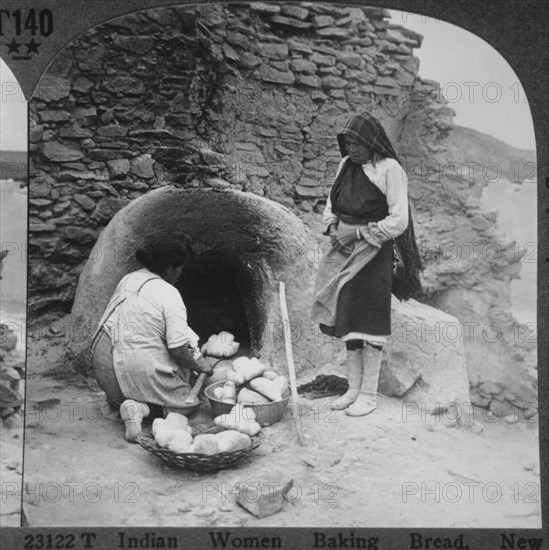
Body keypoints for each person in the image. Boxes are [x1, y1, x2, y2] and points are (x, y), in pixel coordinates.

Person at [312, 112, 422, 417]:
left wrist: (358, 233)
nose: (351, 148)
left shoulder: (391, 170)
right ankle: (353, 389)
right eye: (347, 142)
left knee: (370, 320)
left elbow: (399, 220)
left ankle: (369, 395)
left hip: (373, 252)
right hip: (342, 249)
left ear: (371, 142)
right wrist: (334, 228)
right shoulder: (345, 165)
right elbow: (332, 206)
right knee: (347, 318)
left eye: (356, 142)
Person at [90, 234, 213, 442]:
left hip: (104, 370)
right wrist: (201, 367)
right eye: (180, 267)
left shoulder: (129, 279)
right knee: (189, 405)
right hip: (132, 369)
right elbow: (178, 350)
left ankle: (130, 405)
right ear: (168, 268)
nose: (181, 272)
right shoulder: (169, 293)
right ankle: (143, 409)